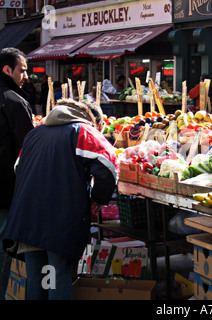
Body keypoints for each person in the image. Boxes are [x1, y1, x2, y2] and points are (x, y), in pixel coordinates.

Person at [2, 98, 119, 300]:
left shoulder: (34, 134)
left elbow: (17, 168)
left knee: (37, 278)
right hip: (57, 222)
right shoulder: (82, 130)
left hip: (27, 219)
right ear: (90, 119)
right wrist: (98, 198)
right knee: (56, 275)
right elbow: (108, 165)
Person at [0, 47, 34, 299]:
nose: (26, 76)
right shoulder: (14, 101)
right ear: (7, 70)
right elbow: (28, 149)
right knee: (3, 247)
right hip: (6, 190)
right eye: (22, 70)